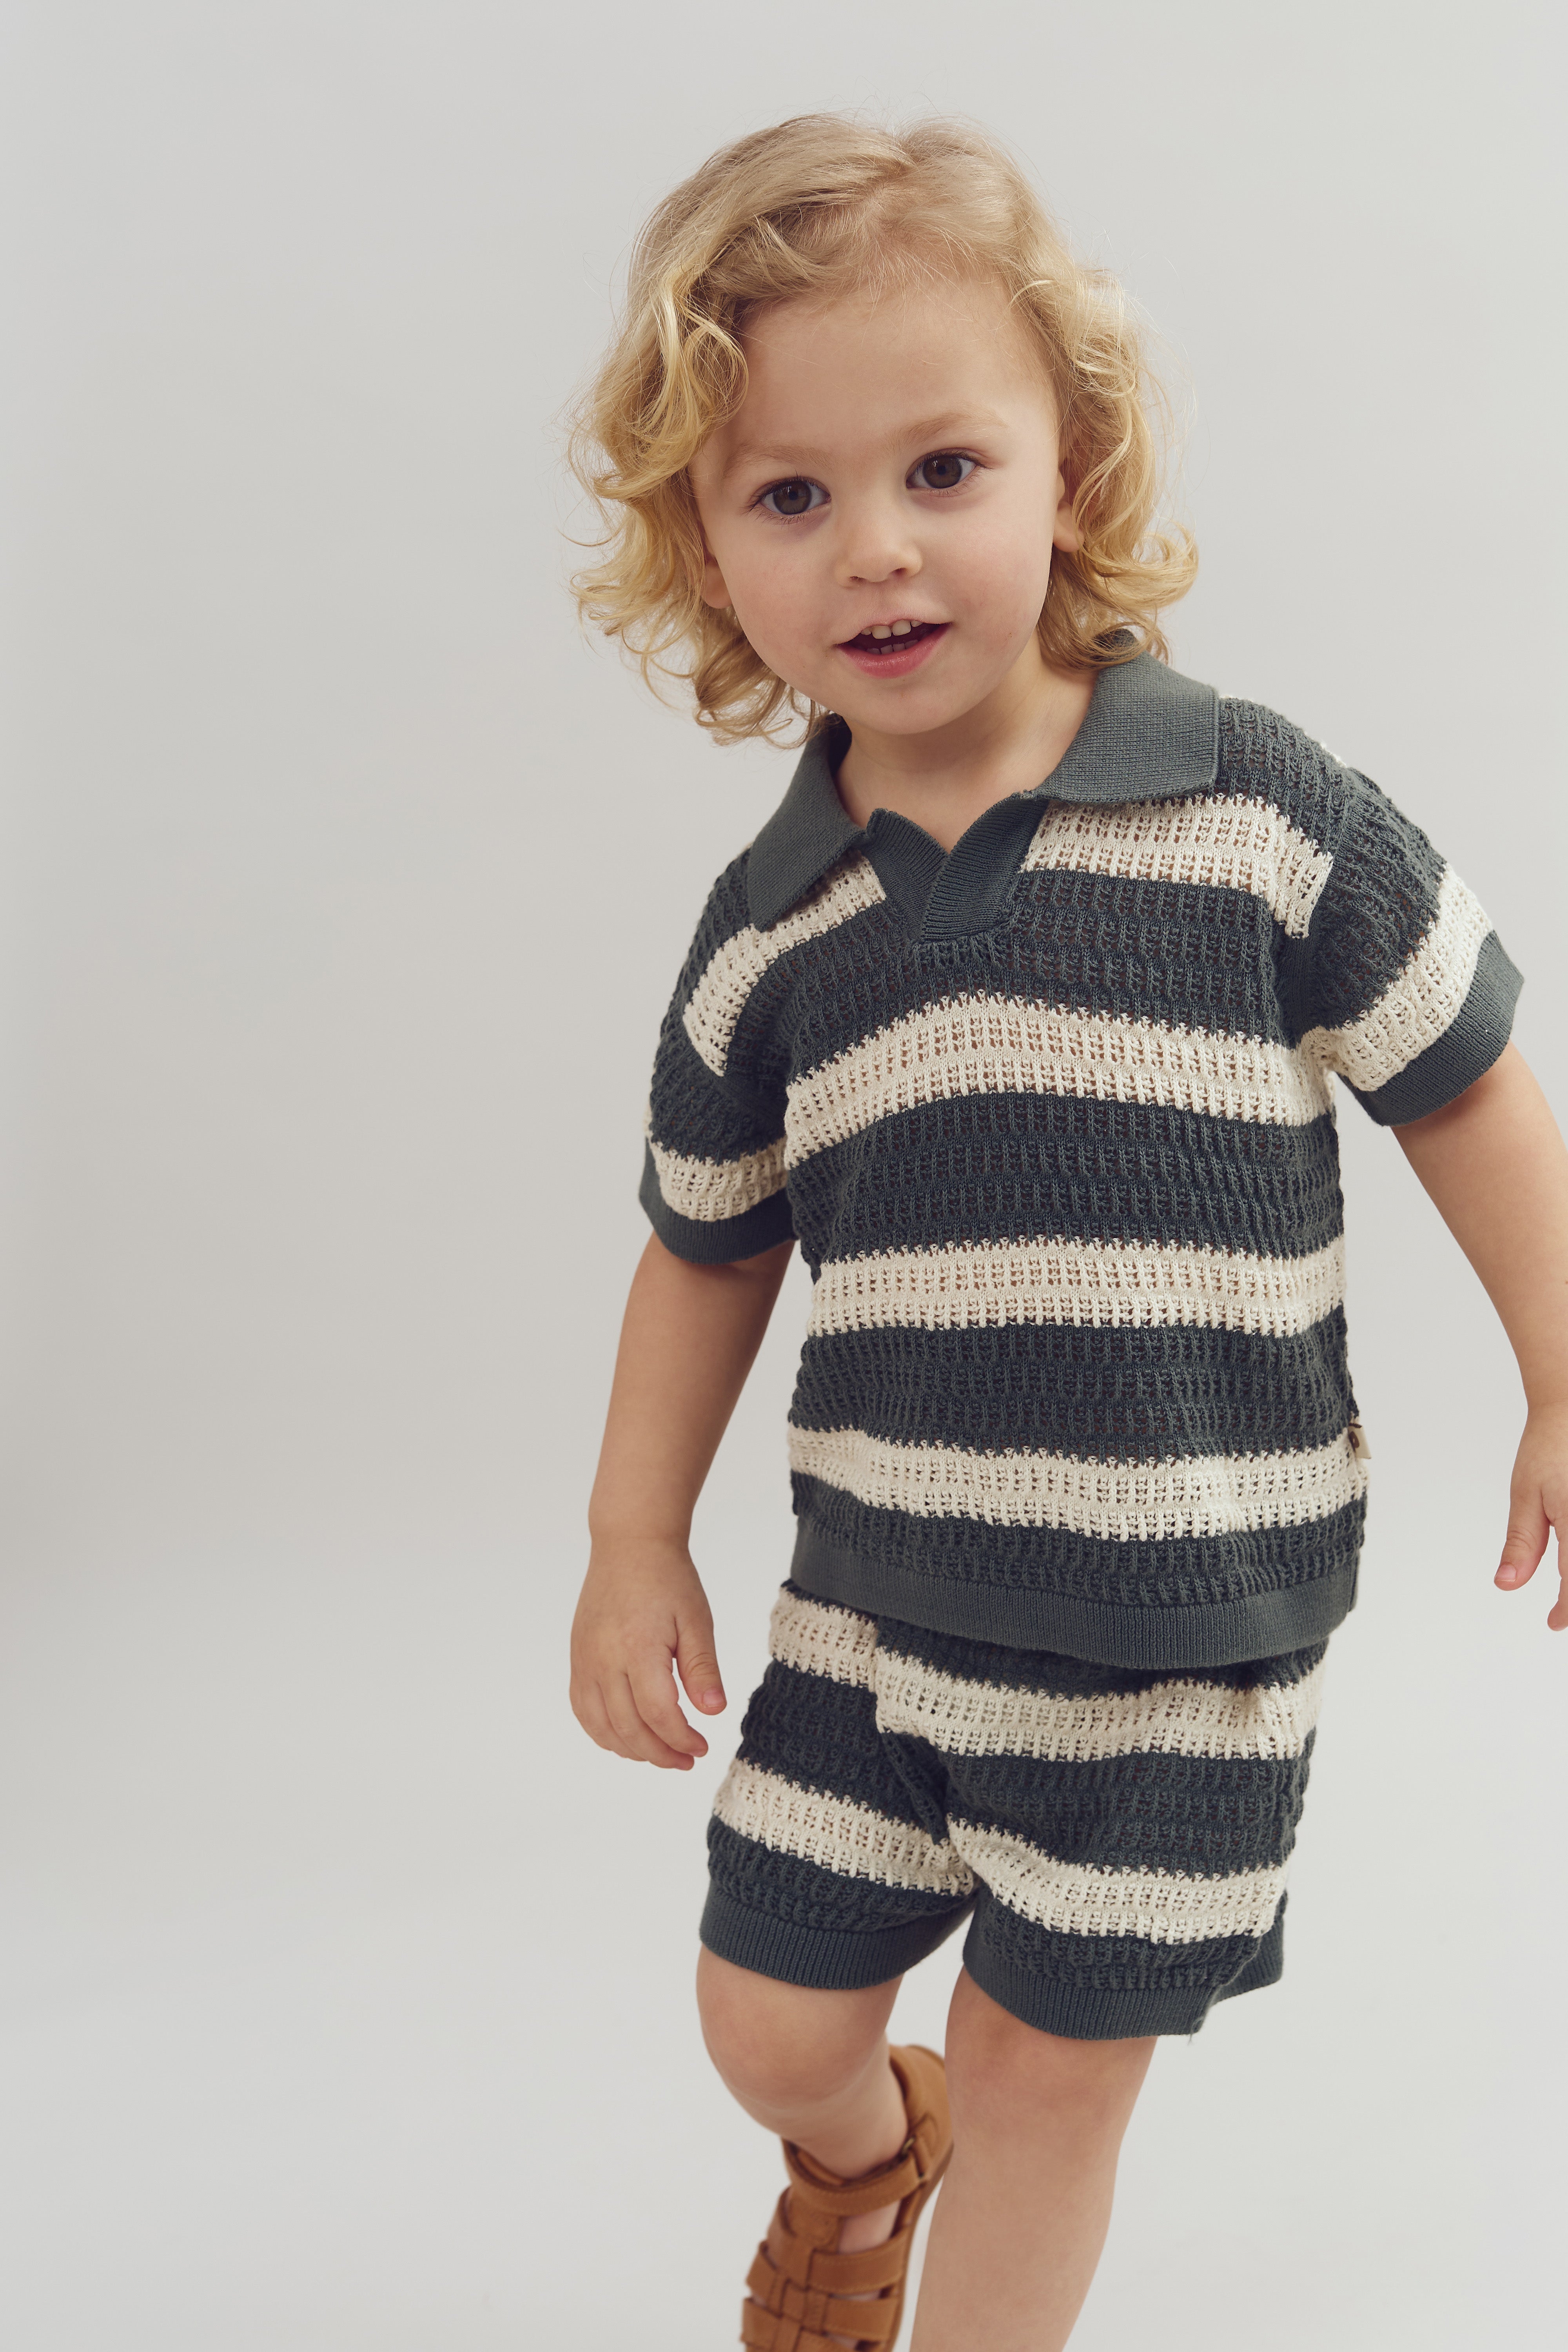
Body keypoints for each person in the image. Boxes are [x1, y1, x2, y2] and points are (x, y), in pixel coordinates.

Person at [565, 115, 1568, 2352]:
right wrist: (634, 1536)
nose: (878, 548)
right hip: (873, 1610)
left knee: (1045, 2081)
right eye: (790, 496)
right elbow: (705, 1252)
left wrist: (1564, 1373)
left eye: (944, 468)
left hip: (1178, 1638)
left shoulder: (1253, 808)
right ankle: (860, 2162)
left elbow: (1470, 1085)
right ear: (706, 547)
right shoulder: (772, 929)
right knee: (766, 2026)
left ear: (1071, 474)